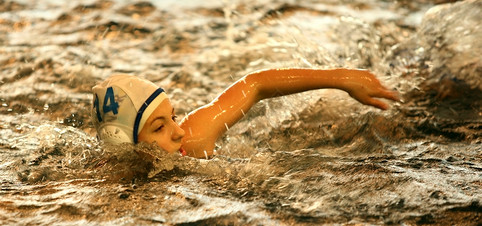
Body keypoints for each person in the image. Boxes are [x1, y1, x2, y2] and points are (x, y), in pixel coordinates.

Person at [91, 68, 399, 159]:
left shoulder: (194, 142)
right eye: (159, 127)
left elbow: (254, 85)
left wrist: (340, 78)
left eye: (174, 117)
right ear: (124, 148)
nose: (179, 131)